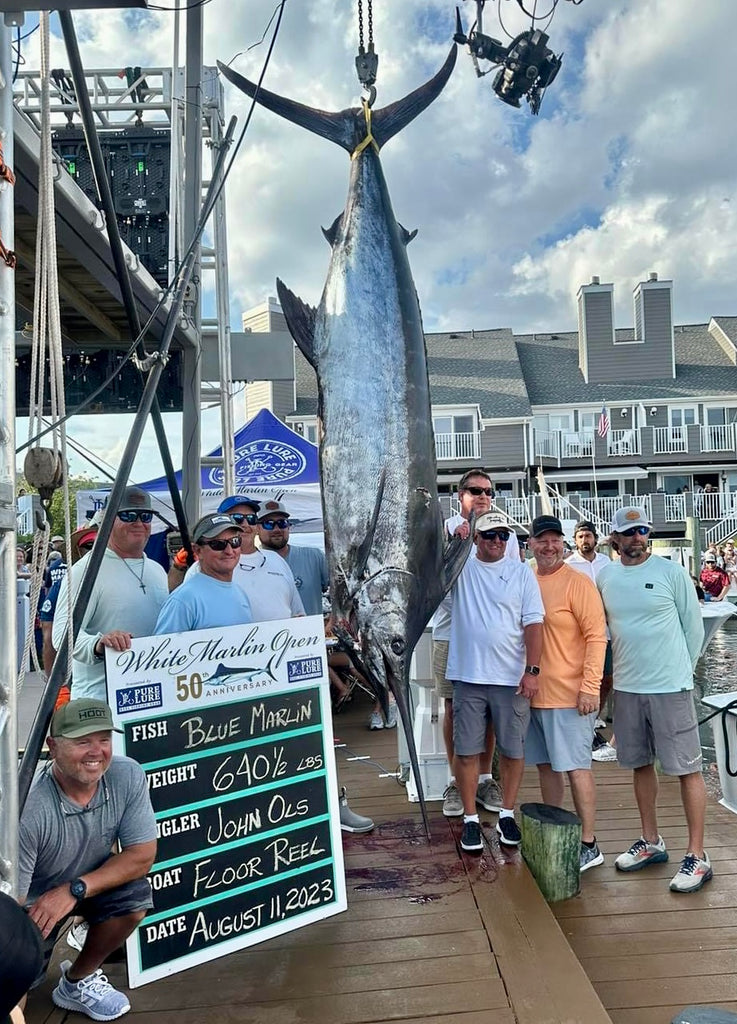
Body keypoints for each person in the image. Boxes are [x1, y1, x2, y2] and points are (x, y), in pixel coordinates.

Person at [19, 699, 157, 1020]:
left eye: (104, 739)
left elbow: (142, 856)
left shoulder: (127, 775)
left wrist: (74, 890)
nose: (97, 751)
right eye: (83, 741)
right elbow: (9, 904)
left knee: (135, 897)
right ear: (52, 747)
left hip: (81, 885)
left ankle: (77, 981)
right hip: (29, 906)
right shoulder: (30, 807)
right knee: (13, 986)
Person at [597, 506, 709, 893]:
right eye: (628, 532)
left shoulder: (671, 573)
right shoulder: (605, 577)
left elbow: (693, 629)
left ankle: (697, 855)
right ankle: (651, 841)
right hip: (627, 688)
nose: (636, 538)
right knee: (640, 765)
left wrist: (681, 673)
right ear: (615, 538)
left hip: (670, 688)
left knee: (686, 769)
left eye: (642, 531)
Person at [446, 511, 545, 852]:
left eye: (503, 535)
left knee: (513, 750)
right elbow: (433, 564)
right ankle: (471, 819)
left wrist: (532, 671)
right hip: (468, 676)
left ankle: (506, 813)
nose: (497, 542)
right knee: (467, 750)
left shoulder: (521, 573)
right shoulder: (460, 567)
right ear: (475, 539)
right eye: (489, 536)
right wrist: (453, 537)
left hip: (511, 679)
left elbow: (534, 623)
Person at [527, 515, 608, 872]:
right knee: (547, 768)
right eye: (541, 539)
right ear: (530, 543)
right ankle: (559, 833)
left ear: (564, 543)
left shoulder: (578, 583)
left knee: (576, 768)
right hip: (531, 694)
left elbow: (597, 637)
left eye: (554, 540)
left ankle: (589, 843)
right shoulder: (524, 576)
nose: (548, 546)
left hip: (570, 695)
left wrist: (590, 688)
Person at [53, 487, 169, 702]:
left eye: (145, 516)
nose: (138, 522)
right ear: (107, 521)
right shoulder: (85, 570)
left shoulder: (157, 570)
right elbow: (61, 636)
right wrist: (98, 645)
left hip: (153, 696)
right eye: (127, 515)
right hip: (100, 702)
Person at [433, 469, 504, 818]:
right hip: (449, 632)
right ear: (459, 495)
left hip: (490, 637)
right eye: (474, 490)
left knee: (488, 707)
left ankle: (487, 777)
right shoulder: (442, 530)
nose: (482, 495)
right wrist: (455, 543)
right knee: (452, 707)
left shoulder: (501, 532)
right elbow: (431, 577)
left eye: (488, 491)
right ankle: (455, 779)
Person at [170, 495, 304, 621]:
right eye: (237, 518)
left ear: (257, 526)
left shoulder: (276, 560)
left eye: (251, 518)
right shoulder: (202, 568)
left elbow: (297, 612)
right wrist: (177, 568)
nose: (245, 524)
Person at [154, 513, 253, 633]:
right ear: (198, 550)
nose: (229, 550)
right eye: (218, 544)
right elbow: (164, 649)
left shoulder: (240, 593)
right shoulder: (184, 600)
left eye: (235, 541)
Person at [566, 519, 615, 757]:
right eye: (581, 537)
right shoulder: (568, 565)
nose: (585, 541)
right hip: (579, 633)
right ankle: (580, 725)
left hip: (606, 631)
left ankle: (594, 717)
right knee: (582, 679)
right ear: (575, 540)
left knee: (607, 679)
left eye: (588, 536)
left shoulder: (608, 563)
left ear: (595, 538)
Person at [256, 500, 329, 617]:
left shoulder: (315, 557)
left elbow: (343, 589)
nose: (276, 529)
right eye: (268, 524)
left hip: (312, 634)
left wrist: (335, 617)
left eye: (282, 523)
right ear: (257, 529)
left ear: (288, 527)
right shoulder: (249, 565)